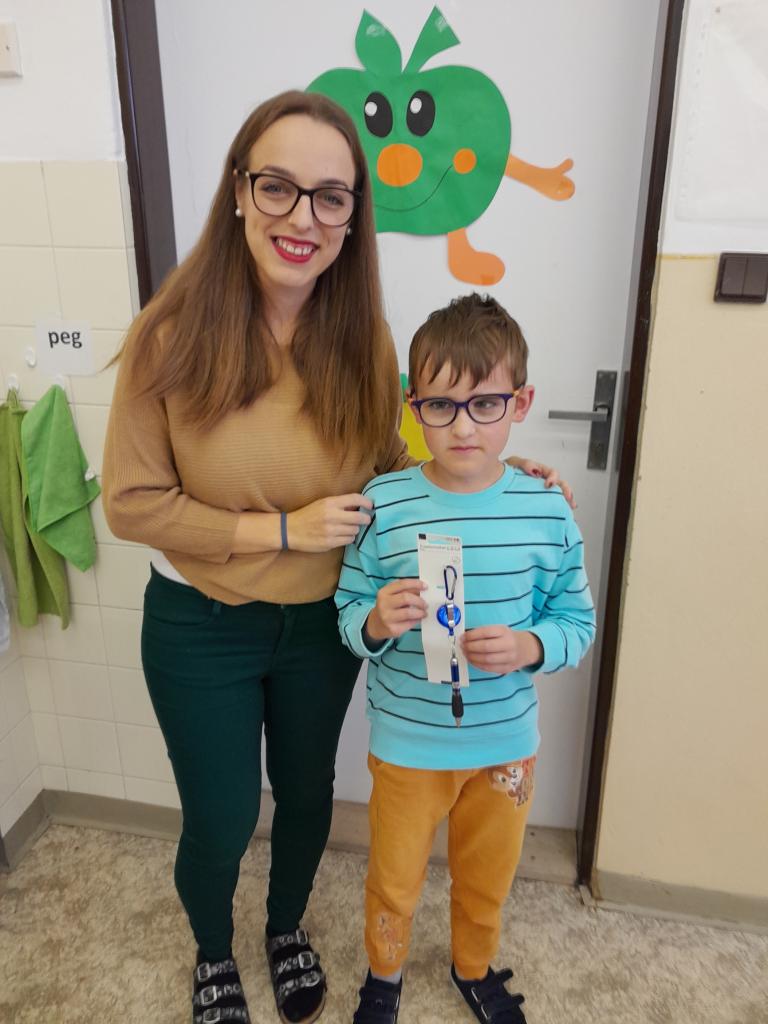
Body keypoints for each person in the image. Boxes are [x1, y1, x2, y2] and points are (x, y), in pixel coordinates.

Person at [102, 91, 569, 1024]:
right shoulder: (170, 334)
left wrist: (482, 469)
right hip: (201, 621)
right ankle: (212, 951)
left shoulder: (362, 338)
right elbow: (131, 503)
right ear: (240, 191)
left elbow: (390, 465)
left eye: (331, 196)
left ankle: (286, 929)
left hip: (323, 625)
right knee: (223, 815)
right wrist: (282, 531)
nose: (303, 217)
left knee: (309, 796)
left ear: (353, 216)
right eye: (278, 186)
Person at [335, 293, 596, 1024]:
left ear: (521, 404)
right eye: (440, 406)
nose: (462, 426)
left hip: (505, 745)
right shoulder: (384, 504)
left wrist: (529, 646)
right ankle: (384, 976)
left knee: (486, 878)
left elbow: (577, 621)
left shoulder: (547, 509)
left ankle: (472, 968)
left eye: (485, 404)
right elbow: (347, 612)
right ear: (412, 408)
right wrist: (375, 621)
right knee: (394, 878)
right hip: (408, 744)